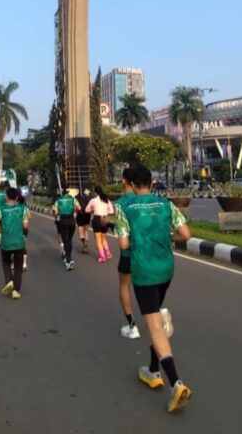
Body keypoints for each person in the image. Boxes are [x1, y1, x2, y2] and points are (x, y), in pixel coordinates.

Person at [113, 166, 193, 413]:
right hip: (166, 268)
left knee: (155, 325)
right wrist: (165, 238)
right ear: (152, 182)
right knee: (154, 317)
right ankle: (153, 370)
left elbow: (124, 243)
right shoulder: (166, 205)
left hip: (144, 271)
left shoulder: (124, 207)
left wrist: (137, 243)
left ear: (132, 185)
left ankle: (176, 383)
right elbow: (186, 234)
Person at [114, 167, 140, 340]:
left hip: (128, 255)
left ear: (124, 181)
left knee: (124, 287)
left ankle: (132, 326)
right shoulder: (144, 200)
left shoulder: (120, 204)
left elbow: (122, 238)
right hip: (147, 253)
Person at [0, 187, 30, 300]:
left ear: (7, 196)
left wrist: (2, 232)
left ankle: (9, 281)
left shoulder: (0, 209)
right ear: (17, 197)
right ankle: (16, 291)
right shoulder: (23, 208)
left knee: (6, 263)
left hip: (6, 241)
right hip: (19, 241)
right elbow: (25, 226)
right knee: (18, 268)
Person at [52, 188, 81, 271]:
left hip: (63, 221)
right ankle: (68, 257)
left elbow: (55, 212)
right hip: (72, 221)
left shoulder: (58, 200)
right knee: (69, 240)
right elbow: (79, 208)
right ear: (68, 191)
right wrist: (74, 211)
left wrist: (59, 212)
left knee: (66, 241)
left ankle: (68, 260)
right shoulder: (73, 199)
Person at [84, 186, 114, 263]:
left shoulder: (93, 200)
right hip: (105, 219)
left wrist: (93, 209)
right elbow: (111, 211)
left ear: (95, 192)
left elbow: (86, 210)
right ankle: (108, 253)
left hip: (97, 219)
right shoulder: (107, 200)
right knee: (104, 238)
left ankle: (102, 257)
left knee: (98, 240)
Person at [75, 188, 92, 254]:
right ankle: (86, 244)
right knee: (86, 231)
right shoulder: (88, 197)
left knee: (80, 230)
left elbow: (76, 207)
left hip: (79, 215)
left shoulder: (76, 197)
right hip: (87, 215)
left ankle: (83, 243)